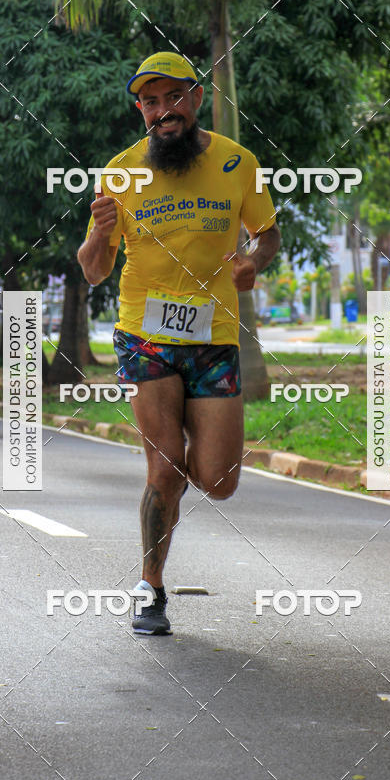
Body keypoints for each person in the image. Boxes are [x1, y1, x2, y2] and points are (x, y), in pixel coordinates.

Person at [78, 51, 280, 635]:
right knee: (165, 464)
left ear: (195, 98)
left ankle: (180, 454)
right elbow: (93, 271)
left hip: (213, 336)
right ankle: (150, 587)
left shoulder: (238, 162)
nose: (163, 111)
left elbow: (266, 234)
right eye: (150, 100)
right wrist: (99, 233)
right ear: (139, 109)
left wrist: (252, 261)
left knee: (218, 481)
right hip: (146, 333)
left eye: (173, 97)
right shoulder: (120, 174)